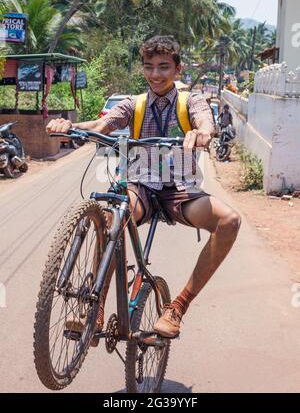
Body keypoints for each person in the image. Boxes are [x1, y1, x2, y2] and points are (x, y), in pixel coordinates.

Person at [47, 35, 241, 339]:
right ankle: (94, 308)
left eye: (164, 67)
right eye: (149, 67)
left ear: (177, 69)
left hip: (180, 190)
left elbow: (205, 121)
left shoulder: (190, 100)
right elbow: (102, 125)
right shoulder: (133, 104)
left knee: (230, 221)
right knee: (114, 214)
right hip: (141, 186)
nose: (155, 74)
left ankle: (177, 305)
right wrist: (68, 126)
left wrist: (202, 133)